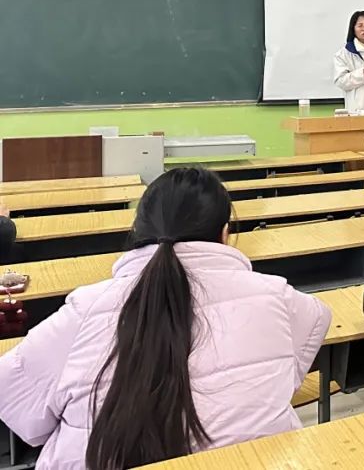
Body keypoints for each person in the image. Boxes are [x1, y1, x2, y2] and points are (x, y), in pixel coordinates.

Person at [0, 168, 331, 470]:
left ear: (137, 231)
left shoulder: (87, 307)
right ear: (225, 234)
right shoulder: (277, 296)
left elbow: (20, 407)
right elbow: (313, 330)